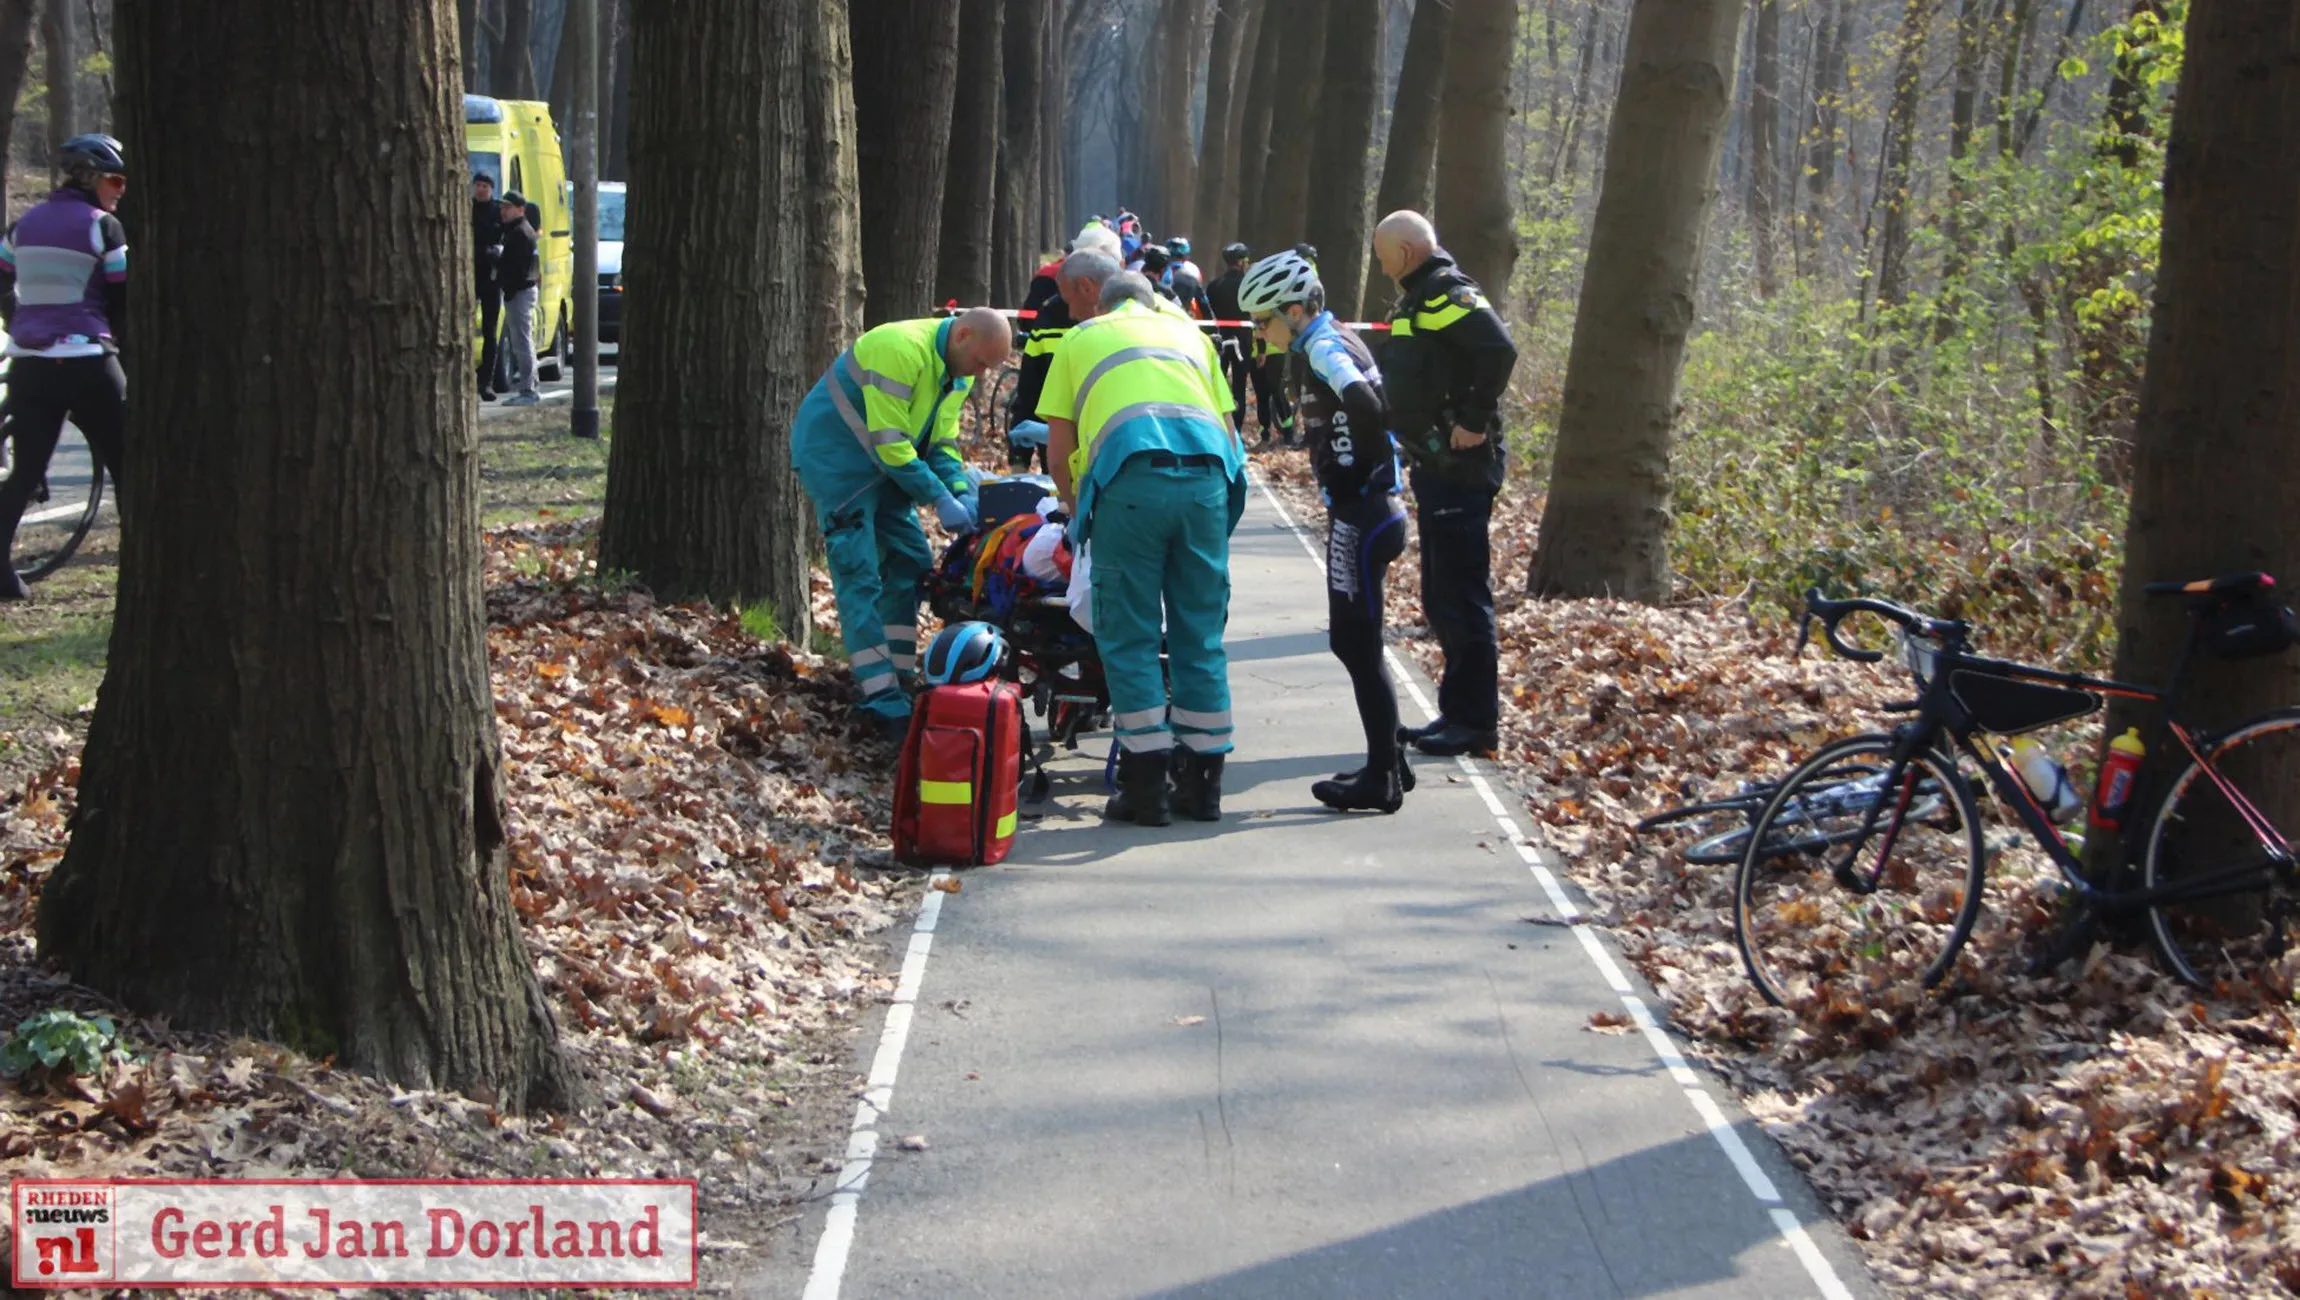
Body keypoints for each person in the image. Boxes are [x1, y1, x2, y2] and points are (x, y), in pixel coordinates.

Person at [1038, 258, 1243, 827]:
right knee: (1198, 633)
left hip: (1129, 484)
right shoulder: (1190, 335)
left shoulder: (1082, 337)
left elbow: (1058, 454)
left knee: (1127, 634)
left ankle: (1145, 785)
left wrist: (1078, 512)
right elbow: (1229, 434)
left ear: (1102, 303)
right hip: (1205, 483)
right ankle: (1204, 786)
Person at [1238, 252, 1411, 811]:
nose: (1260, 334)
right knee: (1362, 642)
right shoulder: (1330, 336)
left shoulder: (1323, 345)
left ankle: (1381, 778)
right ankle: (1392, 760)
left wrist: (1357, 472)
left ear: (1292, 310)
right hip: (1372, 510)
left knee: (1355, 643)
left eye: (1263, 321)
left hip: (1362, 514)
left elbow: (1365, 402)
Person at [792, 308, 1012, 737]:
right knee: (859, 574)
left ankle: (898, 673)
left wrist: (957, 486)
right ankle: (880, 698)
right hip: (839, 464)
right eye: (982, 362)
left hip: (882, 468)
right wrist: (938, 497)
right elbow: (890, 444)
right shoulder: (899, 350)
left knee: (911, 562)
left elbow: (941, 440)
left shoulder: (957, 373)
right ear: (963, 334)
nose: (982, 374)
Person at [1372, 209, 1519, 758]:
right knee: (1440, 596)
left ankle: (1477, 721)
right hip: (1434, 466)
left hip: (1461, 469)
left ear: (1405, 252)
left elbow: (1498, 349)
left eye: (1383, 255)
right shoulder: (1419, 296)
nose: (1381, 266)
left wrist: (1473, 421)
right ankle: (1456, 712)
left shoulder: (1446, 293)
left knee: (1461, 595)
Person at [0, 134, 131, 600]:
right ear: (92, 177)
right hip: (87, 361)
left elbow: (3, 281)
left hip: (31, 363)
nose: (121, 189)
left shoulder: (22, 226)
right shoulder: (104, 228)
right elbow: (122, 294)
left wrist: (24, 325)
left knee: (25, 469)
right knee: (128, 461)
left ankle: (2, 574)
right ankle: (140, 566)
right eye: (116, 179)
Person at [1010, 224, 1120, 472]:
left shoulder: (1138, 322)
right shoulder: (1050, 315)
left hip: (1116, 463)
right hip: (1063, 461)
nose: (1071, 312)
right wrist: (1019, 463)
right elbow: (1029, 391)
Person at [495, 190, 542, 406]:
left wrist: (505, 280)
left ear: (520, 209)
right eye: (502, 207)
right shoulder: (515, 231)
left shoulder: (521, 233)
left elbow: (519, 269)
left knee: (522, 341)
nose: (503, 211)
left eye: (508, 207)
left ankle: (529, 389)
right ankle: (528, 386)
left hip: (521, 292)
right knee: (520, 340)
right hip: (519, 291)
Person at [1206, 243, 1257, 437]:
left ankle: (1217, 426)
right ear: (1242, 262)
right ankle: (1235, 431)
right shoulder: (1248, 286)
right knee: (1239, 387)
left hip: (1219, 341)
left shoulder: (1213, 286)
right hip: (1243, 341)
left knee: (1216, 384)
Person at [472, 172, 507, 399]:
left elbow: (509, 238)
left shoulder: (497, 211)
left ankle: (486, 383)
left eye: (485, 186)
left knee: (490, 332)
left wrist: (498, 252)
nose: (481, 189)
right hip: (468, 277)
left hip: (491, 279)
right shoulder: (466, 208)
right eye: (478, 185)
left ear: (491, 189)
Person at [1165, 237, 1213, 322]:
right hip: (1186, 313)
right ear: (1186, 256)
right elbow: (1200, 294)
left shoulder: (1158, 266)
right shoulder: (1193, 269)